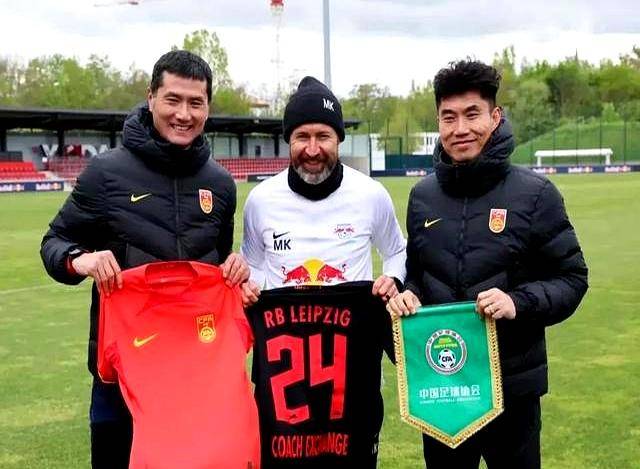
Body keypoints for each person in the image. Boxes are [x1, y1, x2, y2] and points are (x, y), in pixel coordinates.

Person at [40, 50, 249, 469]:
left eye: (195, 102)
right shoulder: (106, 174)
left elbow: (218, 264)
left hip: (198, 377)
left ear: (208, 107)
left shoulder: (220, 184)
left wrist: (236, 269)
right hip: (123, 380)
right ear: (151, 97)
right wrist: (81, 260)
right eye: (173, 99)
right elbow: (54, 242)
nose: (184, 114)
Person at [387, 60, 588, 469]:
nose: (460, 128)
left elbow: (572, 278)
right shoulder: (422, 197)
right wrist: (408, 295)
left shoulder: (536, 194)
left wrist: (518, 302)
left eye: (472, 114)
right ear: (439, 122)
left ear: (495, 117)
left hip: (512, 392)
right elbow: (419, 274)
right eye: (449, 117)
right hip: (441, 390)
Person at [240, 76, 407, 302]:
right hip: (284, 325)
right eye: (302, 137)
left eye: (323, 136)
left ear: (338, 139)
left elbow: (396, 251)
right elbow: (252, 265)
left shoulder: (371, 194)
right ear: (289, 140)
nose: (312, 150)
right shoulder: (260, 200)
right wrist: (250, 287)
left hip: (355, 324)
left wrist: (393, 279)